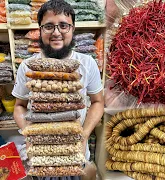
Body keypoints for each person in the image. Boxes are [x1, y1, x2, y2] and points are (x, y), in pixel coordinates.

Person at [12, 0, 104, 179]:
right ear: (40, 30)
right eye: (48, 26)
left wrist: (84, 135)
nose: (56, 32)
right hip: (42, 156)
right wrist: (30, 133)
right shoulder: (27, 66)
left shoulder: (86, 63)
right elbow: (19, 106)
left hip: (75, 152)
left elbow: (98, 102)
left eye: (63, 25)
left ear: (73, 29)